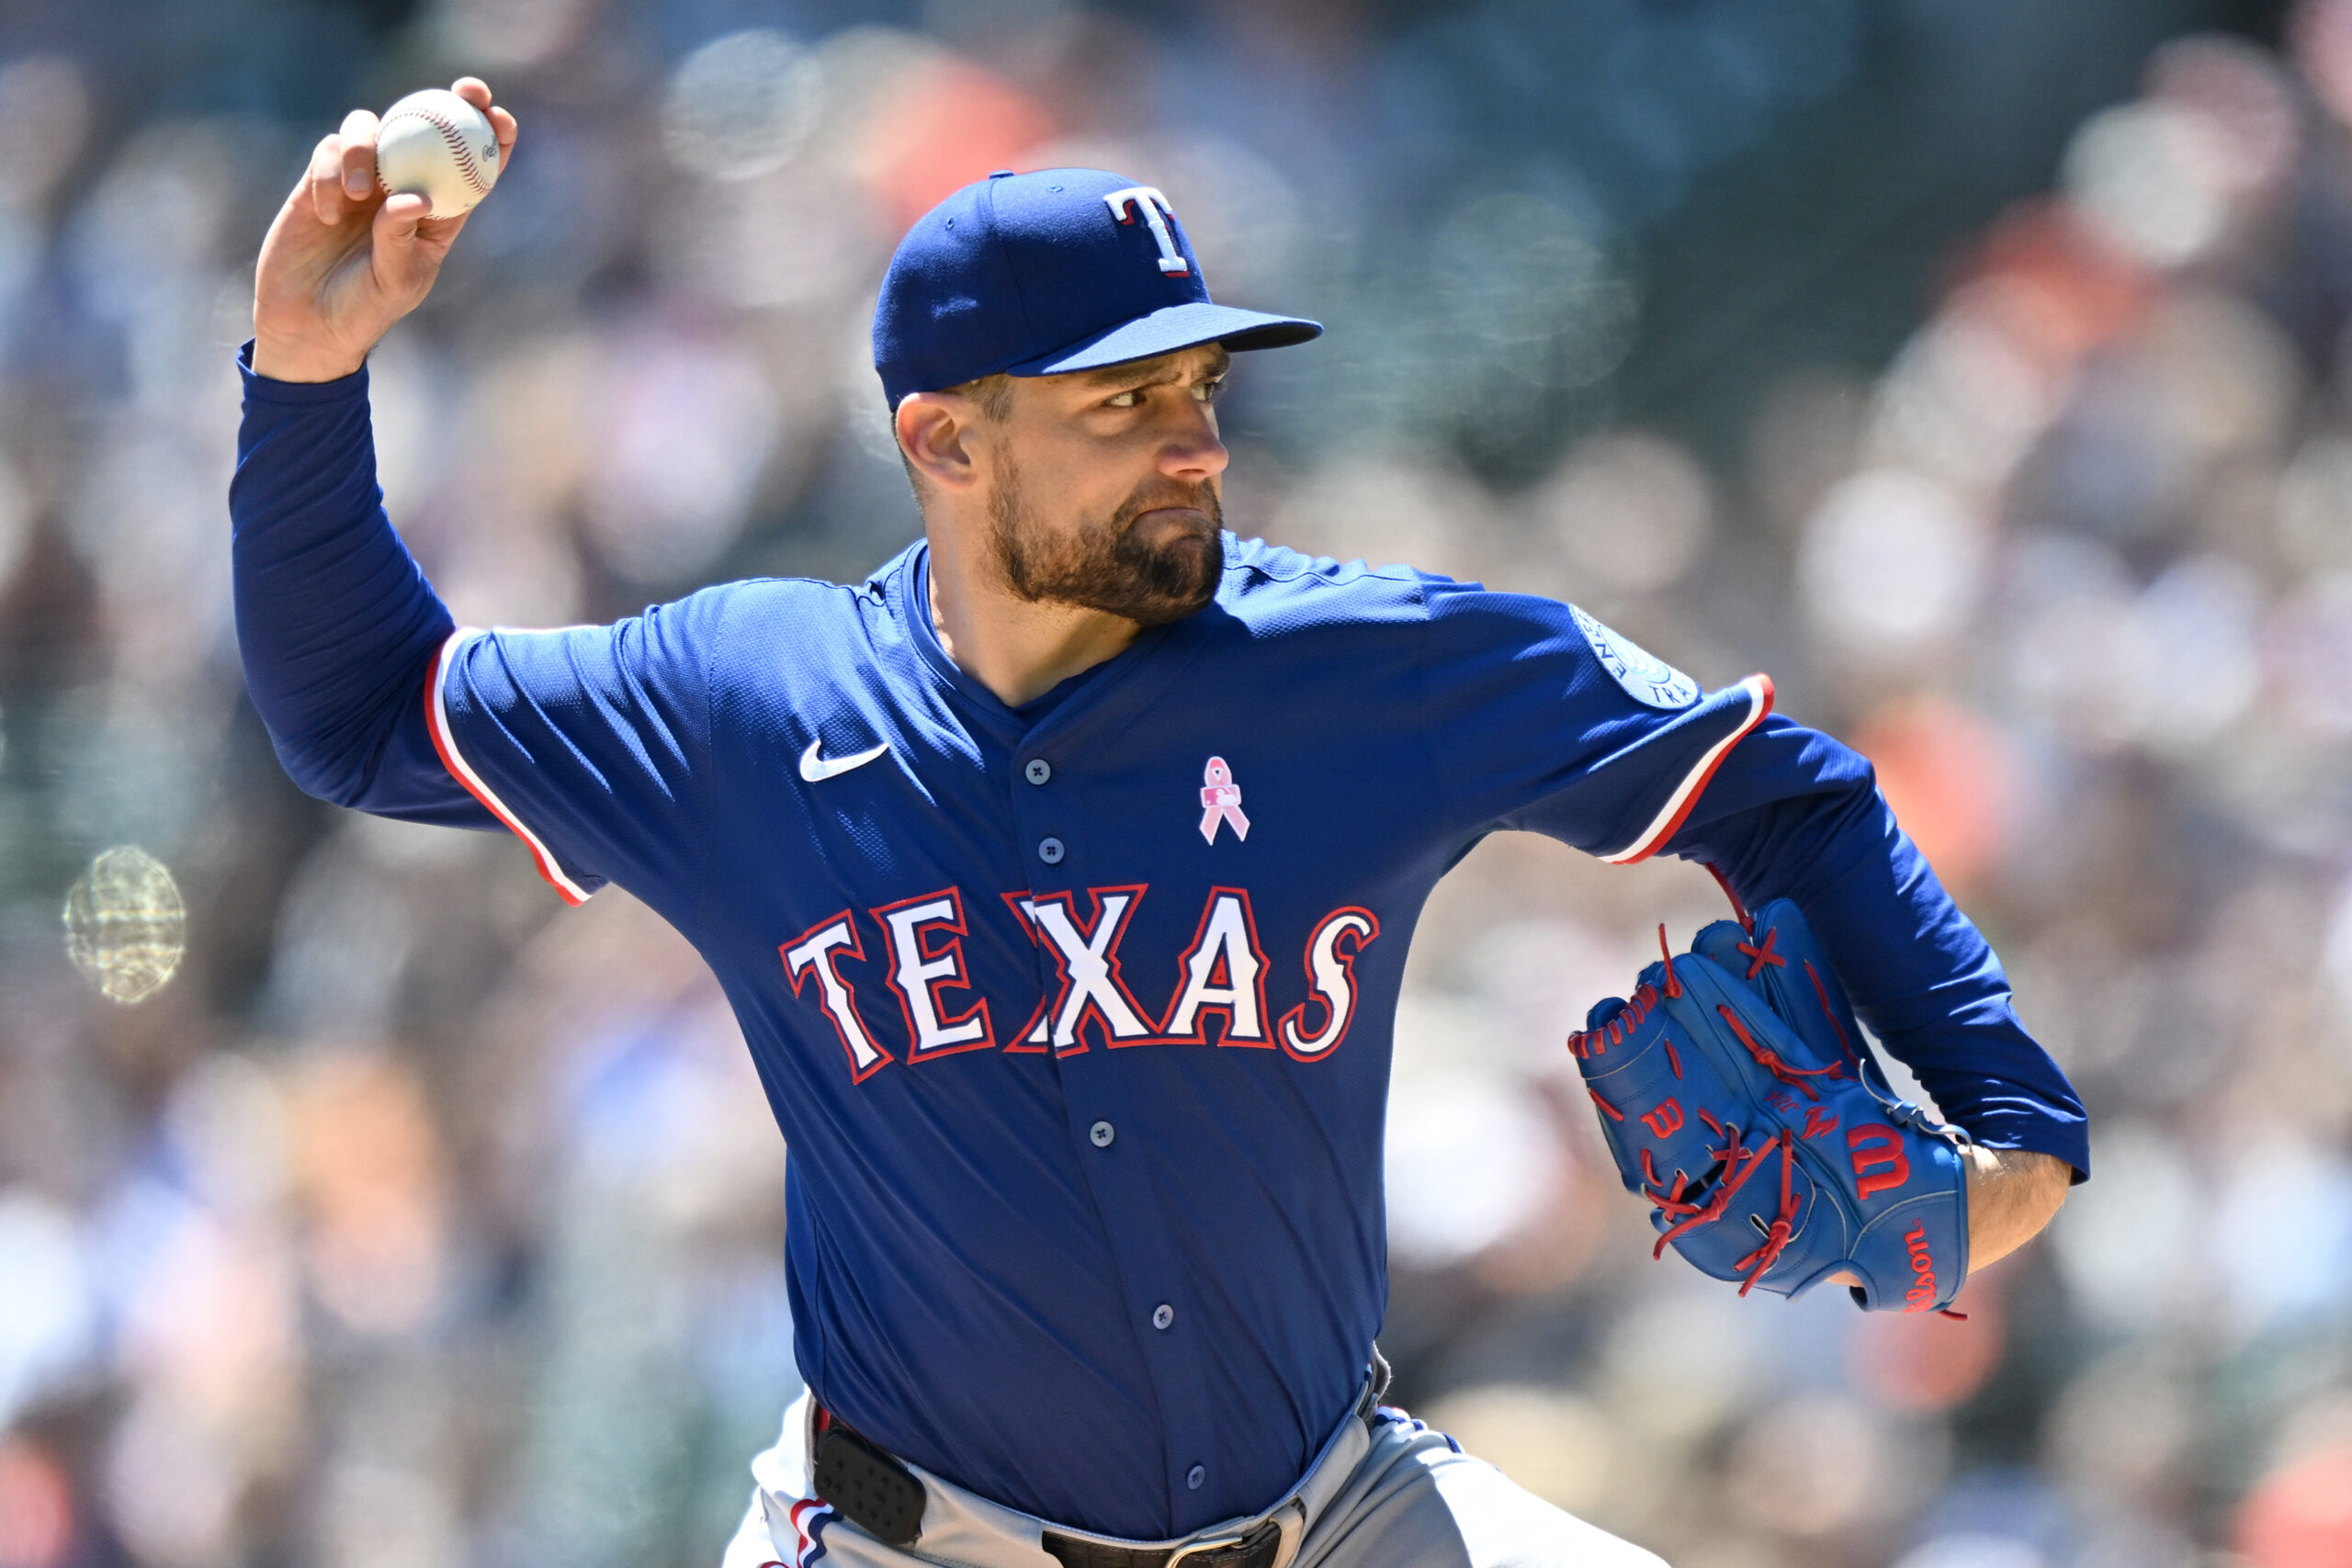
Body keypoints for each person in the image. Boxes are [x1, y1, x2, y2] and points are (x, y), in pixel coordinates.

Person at [234, 77, 2085, 1568]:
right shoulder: (745, 698)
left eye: (1199, 386)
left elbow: (1778, 787)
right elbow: (360, 711)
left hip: (1332, 1507)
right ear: (944, 442)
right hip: (909, 1537)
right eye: (1124, 402)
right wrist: (305, 381)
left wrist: (2009, 1117)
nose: (1194, 442)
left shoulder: (1365, 664)